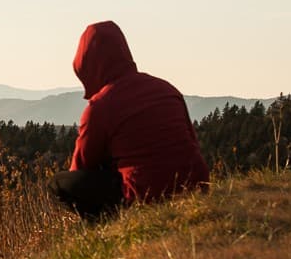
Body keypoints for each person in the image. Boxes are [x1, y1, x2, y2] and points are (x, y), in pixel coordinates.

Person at [51, 20, 209, 220]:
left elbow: (80, 169)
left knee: (61, 183)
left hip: (145, 196)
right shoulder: (167, 89)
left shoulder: (101, 105)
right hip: (197, 187)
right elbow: (191, 143)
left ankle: (105, 228)